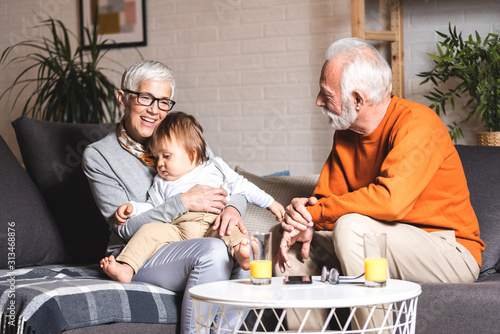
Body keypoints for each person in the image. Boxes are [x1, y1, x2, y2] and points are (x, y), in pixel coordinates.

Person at [273, 38, 484, 329]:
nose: (319, 101)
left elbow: (390, 201)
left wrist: (317, 212)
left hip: (448, 250)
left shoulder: (418, 124)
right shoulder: (346, 133)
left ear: (357, 100)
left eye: (326, 94)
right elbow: (324, 204)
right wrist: (303, 216)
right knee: (289, 240)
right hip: (381, 241)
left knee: (352, 229)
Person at [82, 60, 250, 334]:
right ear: (122, 97)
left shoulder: (181, 138)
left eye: (163, 102)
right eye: (145, 97)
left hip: (195, 235)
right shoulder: (99, 156)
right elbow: (123, 229)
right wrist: (183, 202)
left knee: (250, 252)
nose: (154, 110)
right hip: (140, 252)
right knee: (213, 251)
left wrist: (232, 210)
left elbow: (231, 186)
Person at [101, 111, 285, 283]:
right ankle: (126, 268)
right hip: (179, 229)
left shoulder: (215, 167)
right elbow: (153, 207)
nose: (160, 164)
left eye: (166, 156)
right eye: (157, 158)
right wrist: (133, 208)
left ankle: (241, 253)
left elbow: (243, 186)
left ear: (192, 152)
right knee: (149, 231)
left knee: (232, 231)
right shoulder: (161, 181)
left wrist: (271, 203)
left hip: (215, 223)